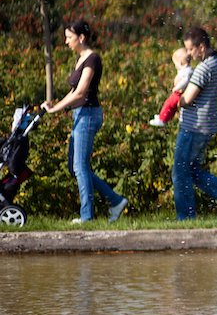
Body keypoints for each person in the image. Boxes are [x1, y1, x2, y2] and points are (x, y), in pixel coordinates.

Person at [39, 20, 128, 223]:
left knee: (80, 167)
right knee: (75, 167)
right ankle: (115, 201)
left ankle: (86, 216)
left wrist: (56, 109)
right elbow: (73, 91)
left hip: (88, 115)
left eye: (69, 37)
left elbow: (81, 92)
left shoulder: (92, 59)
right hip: (79, 114)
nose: (66, 41)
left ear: (81, 38)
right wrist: (56, 103)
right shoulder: (80, 59)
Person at [172, 26, 217, 220]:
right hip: (207, 126)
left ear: (201, 47)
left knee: (179, 173)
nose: (188, 54)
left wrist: (174, 101)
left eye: (190, 49)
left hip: (193, 127)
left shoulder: (204, 68)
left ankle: (186, 219)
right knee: (193, 171)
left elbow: (187, 98)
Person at [148, 46, 192, 127]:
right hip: (180, 93)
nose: (175, 66)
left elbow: (185, 81)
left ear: (181, 63)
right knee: (171, 106)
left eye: (176, 64)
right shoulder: (185, 70)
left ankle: (163, 119)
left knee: (169, 103)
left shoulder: (187, 71)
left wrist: (177, 87)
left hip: (180, 93)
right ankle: (164, 116)